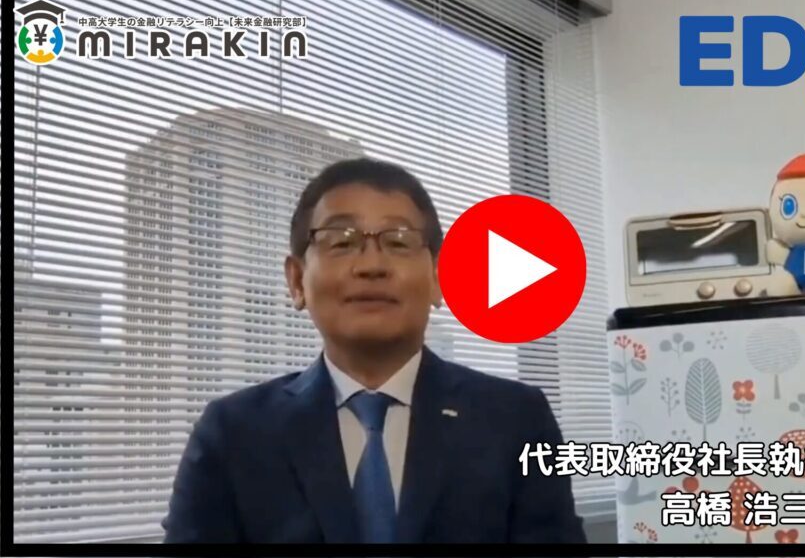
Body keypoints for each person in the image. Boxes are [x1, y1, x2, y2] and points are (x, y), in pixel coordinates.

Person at [162, 158, 586, 543]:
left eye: (398, 242)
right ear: (296, 281)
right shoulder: (232, 434)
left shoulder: (516, 421)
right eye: (340, 241)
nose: (371, 265)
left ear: (439, 279)